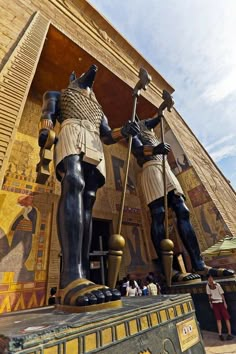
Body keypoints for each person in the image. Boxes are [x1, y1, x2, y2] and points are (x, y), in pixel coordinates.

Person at [38, 64, 139, 306]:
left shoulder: (99, 110)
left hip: (94, 141)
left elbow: (107, 135)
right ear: (72, 77)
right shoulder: (57, 95)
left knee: (89, 200)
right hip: (71, 132)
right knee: (73, 181)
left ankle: (83, 277)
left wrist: (124, 131)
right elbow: (47, 117)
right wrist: (44, 132)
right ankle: (70, 276)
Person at [130, 110, 234, 283]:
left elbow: (155, 119)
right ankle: (167, 269)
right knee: (158, 214)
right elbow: (138, 151)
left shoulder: (150, 130)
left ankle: (198, 264)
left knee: (182, 210)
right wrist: (154, 149)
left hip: (165, 169)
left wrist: (163, 109)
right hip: (150, 169)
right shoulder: (134, 130)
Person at [206, 274, 233, 341]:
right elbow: (209, 296)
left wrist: (225, 303)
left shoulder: (217, 285)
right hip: (215, 304)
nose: (210, 279)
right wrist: (210, 303)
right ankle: (220, 334)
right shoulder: (207, 286)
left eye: (211, 278)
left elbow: (222, 295)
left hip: (221, 303)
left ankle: (229, 334)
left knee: (226, 318)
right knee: (218, 319)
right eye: (209, 278)